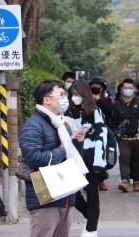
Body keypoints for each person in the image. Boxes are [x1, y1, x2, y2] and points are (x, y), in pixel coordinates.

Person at [19, 80, 86, 237]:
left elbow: (71, 157)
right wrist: (62, 150)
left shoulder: (62, 123)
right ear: (46, 99)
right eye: (61, 95)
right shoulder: (33, 125)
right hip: (45, 198)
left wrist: (77, 142)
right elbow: (34, 158)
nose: (65, 99)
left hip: (66, 195)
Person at [69, 80, 109, 237]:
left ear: (84, 95)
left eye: (78, 95)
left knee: (92, 193)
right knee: (72, 193)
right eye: (73, 95)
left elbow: (102, 135)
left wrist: (99, 161)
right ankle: (89, 217)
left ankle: (92, 229)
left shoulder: (94, 111)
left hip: (91, 158)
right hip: (72, 158)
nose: (75, 98)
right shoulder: (68, 111)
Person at [111, 78, 139, 192]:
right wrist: (116, 133)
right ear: (121, 89)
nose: (128, 90)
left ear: (134, 89)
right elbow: (113, 122)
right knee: (124, 158)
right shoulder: (117, 104)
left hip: (137, 137)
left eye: (130, 88)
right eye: (126, 88)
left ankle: (136, 182)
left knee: (137, 160)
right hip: (123, 138)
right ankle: (125, 181)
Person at [90, 77, 114, 192]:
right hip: (90, 128)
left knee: (104, 152)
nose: (96, 88)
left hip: (105, 127)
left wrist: (100, 100)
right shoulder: (86, 96)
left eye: (98, 86)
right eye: (93, 86)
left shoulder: (106, 96)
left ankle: (102, 179)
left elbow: (110, 110)